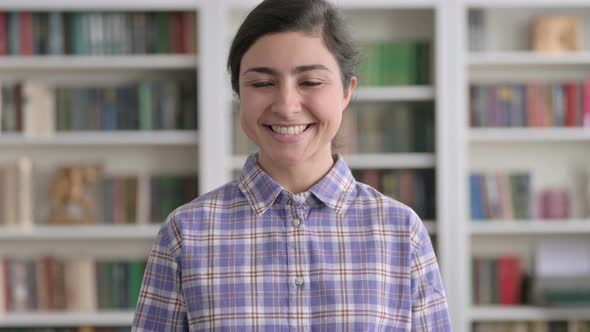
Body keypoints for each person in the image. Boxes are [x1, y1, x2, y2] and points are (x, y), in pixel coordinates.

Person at [132, 0, 451, 330]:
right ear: (239, 93)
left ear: (346, 91)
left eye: (310, 82)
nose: (286, 106)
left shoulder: (400, 232)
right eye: (261, 83)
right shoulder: (186, 233)